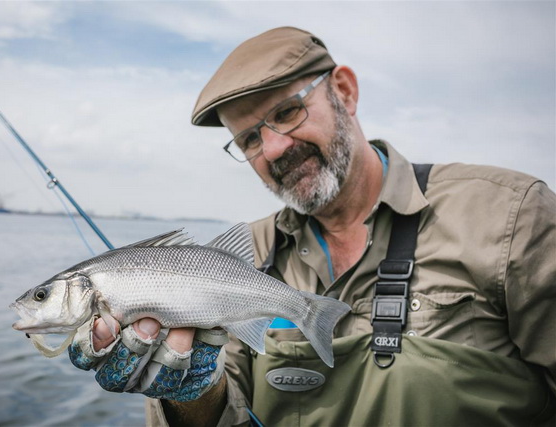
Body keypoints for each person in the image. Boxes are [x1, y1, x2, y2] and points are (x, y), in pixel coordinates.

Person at [69, 27, 556, 426]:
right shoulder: (244, 253)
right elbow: (220, 415)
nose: (275, 148)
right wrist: (190, 388)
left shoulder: (510, 215)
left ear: (343, 91)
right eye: (249, 139)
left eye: (286, 112)